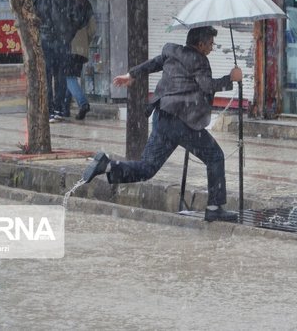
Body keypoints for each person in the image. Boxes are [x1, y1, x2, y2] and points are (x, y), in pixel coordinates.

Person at [82, 26, 243, 222]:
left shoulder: (172, 52)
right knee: (215, 156)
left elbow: (153, 64)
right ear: (200, 44)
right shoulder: (200, 60)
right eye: (210, 44)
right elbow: (207, 86)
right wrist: (231, 79)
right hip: (182, 121)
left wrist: (131, 75)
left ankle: (106, 166)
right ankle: (215, 207)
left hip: (163, 116)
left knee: (147, 168)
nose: (211, 48)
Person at [31, 0, 82, 122]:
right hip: (62, 41)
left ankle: (50, 110)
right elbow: (76, 17)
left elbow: (29, 18)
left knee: (45, 76)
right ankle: (59, 108)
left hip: (44, 40)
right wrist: (68, 34)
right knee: (61, 75)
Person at [63, 0, 95, 120]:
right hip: (82, 48)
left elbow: (61, 25)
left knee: (68, 77)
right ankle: (65, 108)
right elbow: (93, 28)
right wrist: (85, 41)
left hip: (68, 46)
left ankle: (83, 103)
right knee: (71, 77)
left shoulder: (65, 3)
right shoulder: (86, 4)